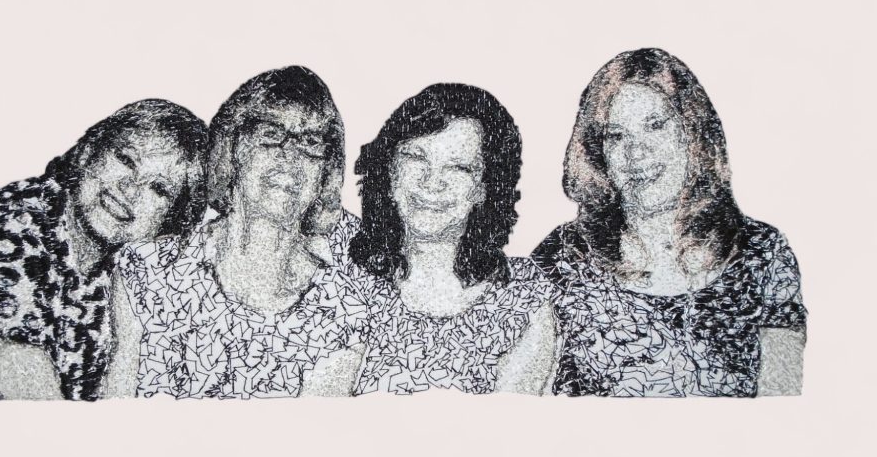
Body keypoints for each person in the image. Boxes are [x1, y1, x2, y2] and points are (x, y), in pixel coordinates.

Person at [531, 48, 807, 397]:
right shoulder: (562, 256)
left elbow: (784, 405)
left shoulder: (763, 252)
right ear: (597, 152)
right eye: (616, 136)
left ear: (692, 134)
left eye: (655, 126)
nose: (636, 152)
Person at [0, 99, 208, 400]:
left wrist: (128, 334)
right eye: (126, 160)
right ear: (87, 153)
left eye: (159, 188)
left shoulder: (109, 268)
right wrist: (126, 341)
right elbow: (49, 416)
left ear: (168, 223)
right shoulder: (11, 230)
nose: (130, 188)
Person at [108, 66, 367, 399]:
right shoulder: (146, 268)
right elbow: (115, 412)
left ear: (325, 172)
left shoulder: (341, 311)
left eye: (311, 143)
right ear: (232, 150)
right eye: (271, 134)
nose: (291, 157)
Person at [347, 83, 555, 396]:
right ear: (389, 170)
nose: (432, 182)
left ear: (485, 188)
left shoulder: (523, 297)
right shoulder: (345, 277)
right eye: (417, 157)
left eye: (458, 167)